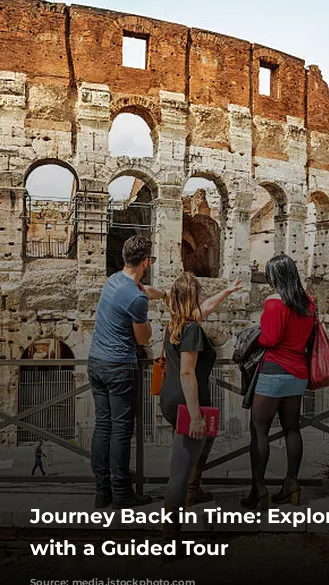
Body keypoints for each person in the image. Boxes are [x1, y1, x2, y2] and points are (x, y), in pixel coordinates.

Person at [159, 272, 242, 552]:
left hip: (171, 398)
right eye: (200, 293)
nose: (204, 298)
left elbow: (204, 310)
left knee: (189, 460)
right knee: (180, 473)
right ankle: (170, 541)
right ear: (192, 297)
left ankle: (188, 500)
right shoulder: (193, 330)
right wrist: (195, 415)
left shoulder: (178, 323)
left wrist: (227, 292)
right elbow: (187, 372)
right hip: (186, 401)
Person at [88, 234, 168, 509]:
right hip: (120, 366)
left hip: (95, 362)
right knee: (121, 430)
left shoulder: (113, 281)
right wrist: (148, 315)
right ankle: (122, 492)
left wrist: (160, 294)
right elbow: (143, 338)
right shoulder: (136, 299)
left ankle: (103, 491)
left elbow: (139, 291)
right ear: (146, 261)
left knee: (103, 426)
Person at [241, 254, 315, 510]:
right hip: (298, 372)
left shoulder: (275, 302)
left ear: (276, 277)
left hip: (274, 370)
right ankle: (291, 484)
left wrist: (253, 336)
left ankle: (258, 490)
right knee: (292, 429)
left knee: (259, 430)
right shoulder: (308, 303)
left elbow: (270, 339)